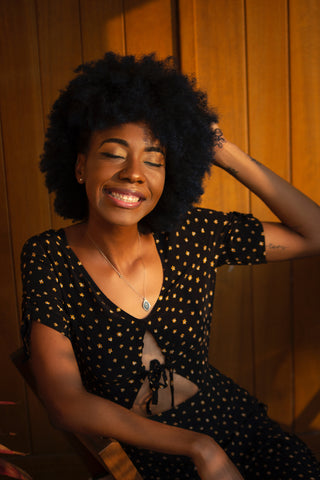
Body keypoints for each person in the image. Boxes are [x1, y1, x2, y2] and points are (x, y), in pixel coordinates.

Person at [20, 52, 320, 480]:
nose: (134, 174)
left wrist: (222, 150)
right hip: (151, 451)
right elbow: (65, 403)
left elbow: (315, 234)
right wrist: (200, 448)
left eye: (154, 160)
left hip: (236, 426)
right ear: (80, 166)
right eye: (113, 154)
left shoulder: (191, 233)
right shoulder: (48, 256)